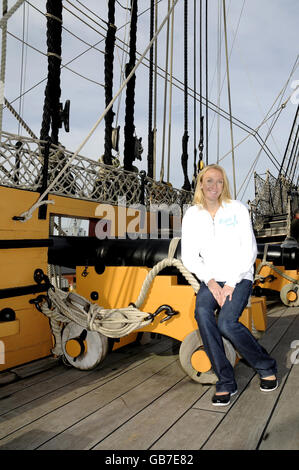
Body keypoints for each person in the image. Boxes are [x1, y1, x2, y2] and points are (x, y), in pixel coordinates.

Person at [181, 164, 277, 406]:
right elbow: (190, 256)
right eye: (210, 181)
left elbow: (249, 249)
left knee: (226, 323)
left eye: (220, 182)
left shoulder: (237, 210)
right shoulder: (192, 215)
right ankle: (225, 380)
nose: (215, 186)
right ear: (201, 184)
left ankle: (265, 365)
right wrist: (211, 283)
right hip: (211, 278)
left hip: (239, 276)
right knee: (202, 312)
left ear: (225, 185)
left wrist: (232, 284)